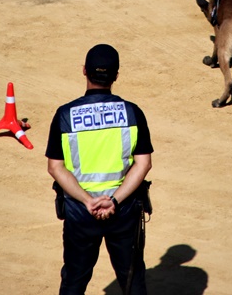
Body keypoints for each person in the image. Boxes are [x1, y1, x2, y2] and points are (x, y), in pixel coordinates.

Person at [46, 44, 154, 295]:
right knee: (133, 281)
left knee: (73, 281)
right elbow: (144, 163)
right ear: (116, 75)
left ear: (84, 71)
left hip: (80, 213)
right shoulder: (132, 113)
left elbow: (55, 167)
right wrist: (114, 200)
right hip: (123, 210)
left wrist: (87, 201)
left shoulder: (65, 115)